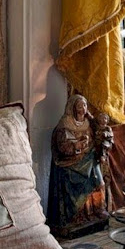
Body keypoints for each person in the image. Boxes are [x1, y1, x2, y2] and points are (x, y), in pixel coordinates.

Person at [47, 94, 109, 237]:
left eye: (85, 105)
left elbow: (101, 136)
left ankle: (97, 210)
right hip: (70, 162)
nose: (83, 108)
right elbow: (62, 147)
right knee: (77, 182)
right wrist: (77, 145)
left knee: (99, 182)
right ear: (73, 108)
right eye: (80, 106)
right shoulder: (64, 125)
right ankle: (76, 216)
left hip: (89, 159)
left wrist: (101, 143)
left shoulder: (90, 122)